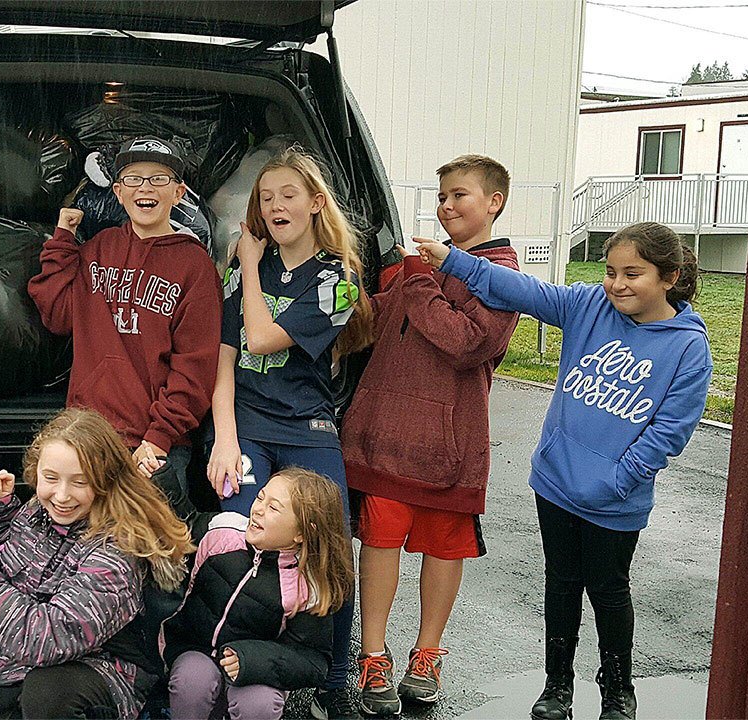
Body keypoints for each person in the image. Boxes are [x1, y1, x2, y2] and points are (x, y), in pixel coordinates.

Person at [416, 221, 712, 720]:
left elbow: (669, 433)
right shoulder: (587, 306)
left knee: (609, 591)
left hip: (616, 500)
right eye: (610, 272)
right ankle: (558, 686)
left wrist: (617, 482)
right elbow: (524, 290)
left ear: (669, 277)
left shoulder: (687, 347)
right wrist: (452, 261)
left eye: (633, 274)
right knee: (561, 584)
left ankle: (619, 690)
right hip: (554, 484)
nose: (617, 284)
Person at [341, 154, 520, 713]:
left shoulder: (503, 275)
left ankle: (427, 656)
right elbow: (370, 325)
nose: (445, 206)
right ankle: (373, 658)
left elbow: (467, 341)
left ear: (494, 202)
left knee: (444, 550)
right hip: (383, 440)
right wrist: (342, 295)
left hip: (449, 446)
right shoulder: (417, 265)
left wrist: (418, 281)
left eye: (459, 195)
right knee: (379, 544)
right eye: (441, 196)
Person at [205, 146, 373, 720]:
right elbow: (224, 361)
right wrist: (224, 439)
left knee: (330, 542)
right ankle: (224, 656)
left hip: (307, 428)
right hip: (246, 426)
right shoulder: (240, 267)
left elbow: (259, 338)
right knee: (234, 531)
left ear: (315, 203)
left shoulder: (340, 280)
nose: (275, 205)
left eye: (288, 195)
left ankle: (333, 677)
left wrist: (249, 265)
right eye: (265, 197)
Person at [0, 407, 196, 720]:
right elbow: (13, 574)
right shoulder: (36, 511)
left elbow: (48, 638)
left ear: (105, 480)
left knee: (47, 693)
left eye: (80, 482)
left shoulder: (116, 551)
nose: (62, 495)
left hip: (100, 672)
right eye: (51, 478)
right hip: (19, 667)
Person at [28, 136, 222, 520]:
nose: (145, 188)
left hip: (151, 450)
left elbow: (196, 368)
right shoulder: (100, 248)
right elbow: (59, 314)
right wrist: (64, 240)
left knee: (153, 562)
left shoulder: (195, 266)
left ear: (179, 193)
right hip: (88, 438)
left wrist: (159, 437)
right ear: (117, 192)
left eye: (158, 179)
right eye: (133, 178)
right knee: (84, 557)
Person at [161, 468, 355, 720]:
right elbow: (183, 523)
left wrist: (251, 660)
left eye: (274, 508)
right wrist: (161, 476)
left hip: (256, 672)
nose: (258, 509)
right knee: (191, 681)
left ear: (302, 532)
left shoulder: (307, 586)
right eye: (261, 497)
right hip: (196, 649)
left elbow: (313, 661)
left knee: (258, 704)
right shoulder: (224, 532)